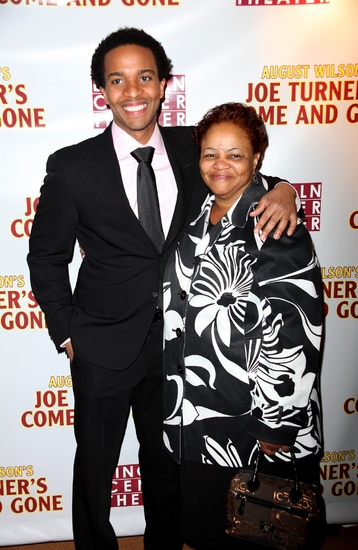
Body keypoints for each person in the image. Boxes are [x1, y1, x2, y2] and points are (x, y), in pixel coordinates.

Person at [27, 28, 298, 550]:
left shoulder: (189, 146)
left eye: (145, 77)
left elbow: (239, 171)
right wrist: (65, 332)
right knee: (95, 474)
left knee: (165, 469)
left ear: (163, 84)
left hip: (179, 347)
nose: (133, 91)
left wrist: (282, 188)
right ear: (101, 91)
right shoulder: (71, 165)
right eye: (118, 79)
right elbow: (46, 257)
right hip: (101, 346)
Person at [163, 103, 323, 550]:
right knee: (208, 531)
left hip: (252, 420)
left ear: (257, 159)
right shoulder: (199, 217)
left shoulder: (274, 224)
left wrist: (277, 423)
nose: (220, 165)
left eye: (235, 155)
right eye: (210, 154)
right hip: (199, 416)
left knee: (259, 536)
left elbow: (296, 329)